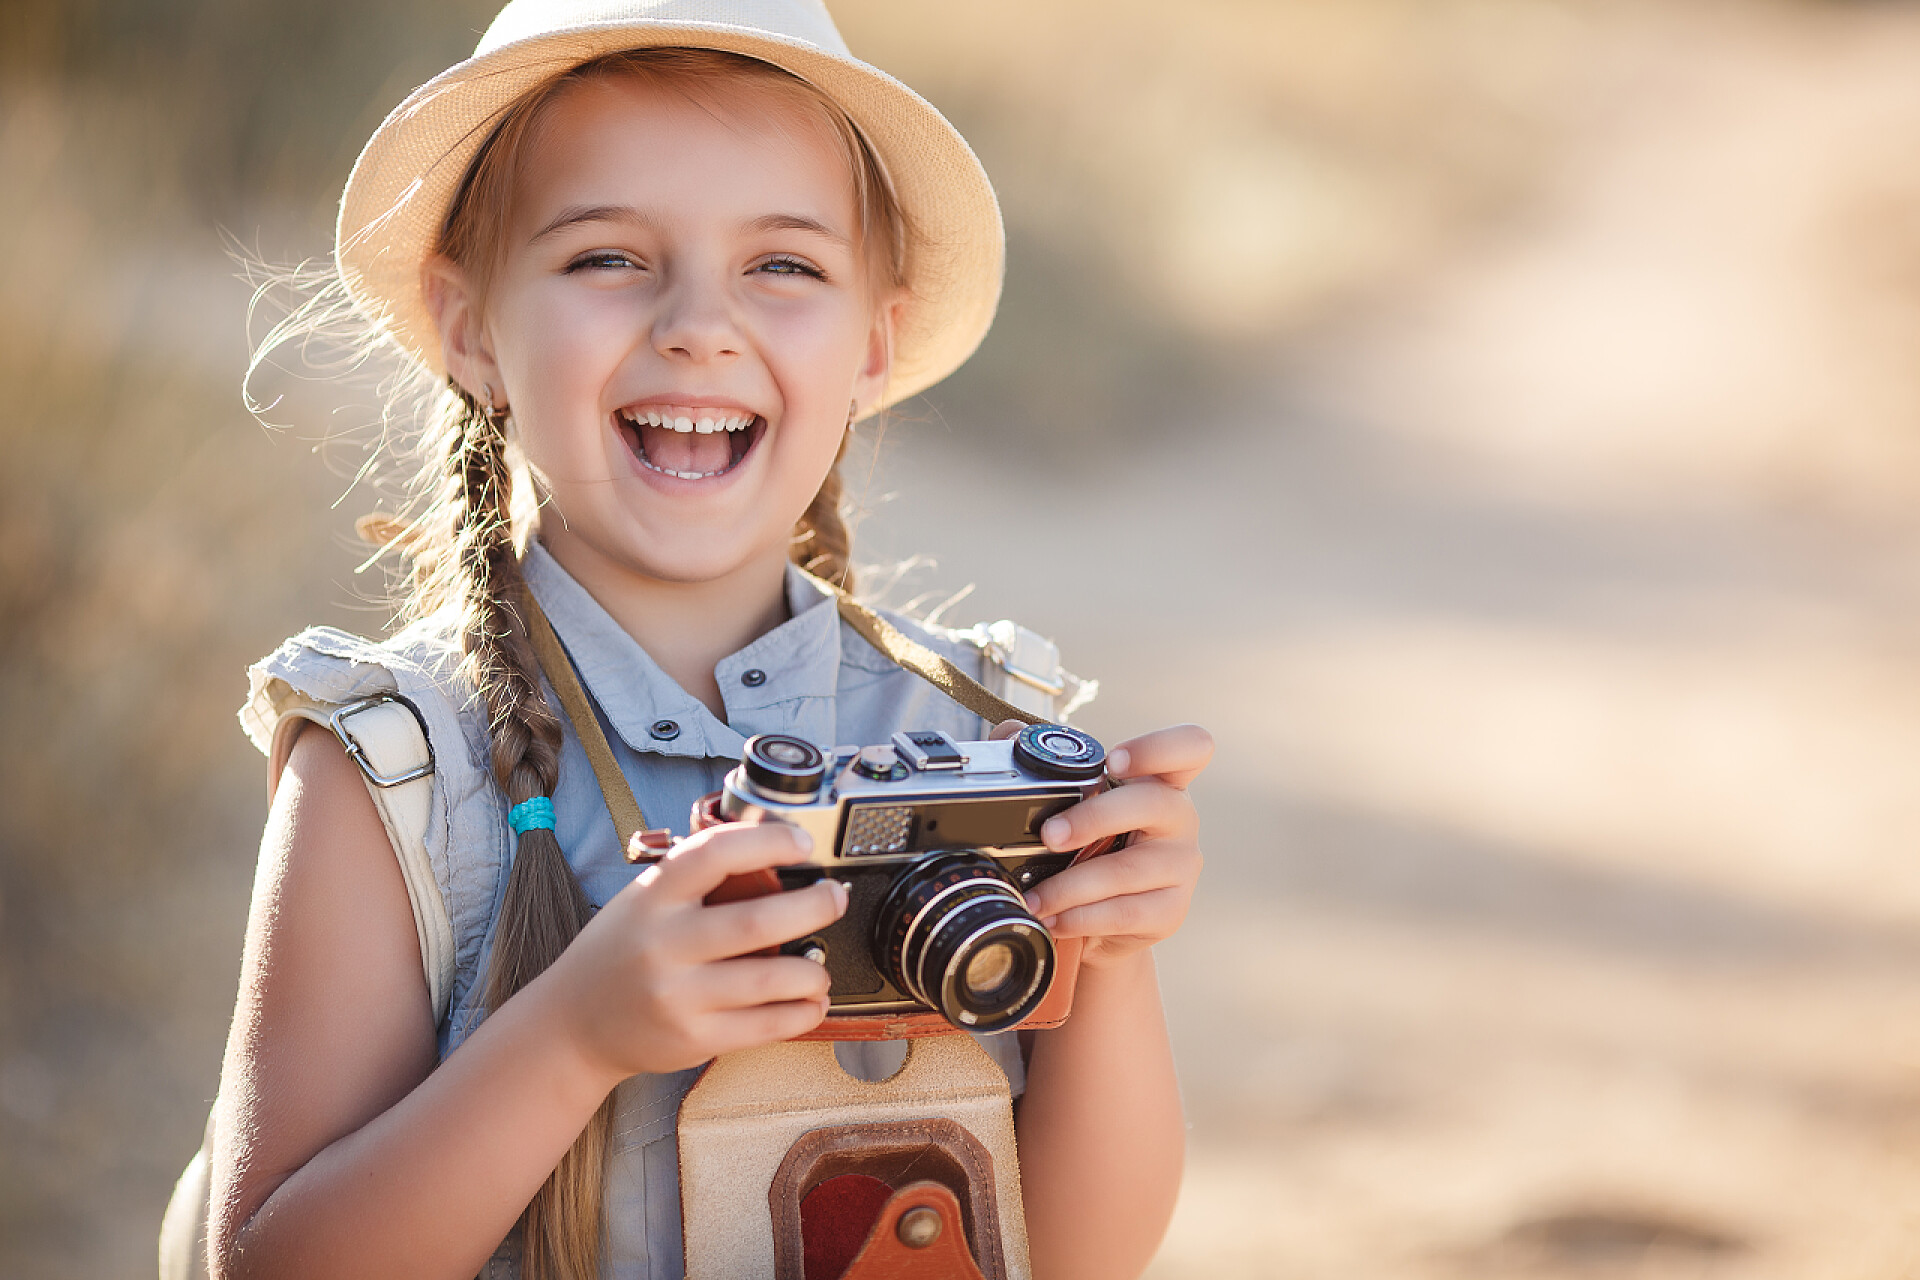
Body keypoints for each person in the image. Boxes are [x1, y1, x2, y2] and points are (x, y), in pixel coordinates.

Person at [203, 3, 1210, 1278]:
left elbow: (1072, 1254)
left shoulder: (979, 734)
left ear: (873, 345)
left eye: (782, 265)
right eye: (608, 257)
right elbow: (272, 1263)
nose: (697, 321)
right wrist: (575, 1031)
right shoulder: (396, 771)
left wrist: (1108, 961)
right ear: (471, 330)